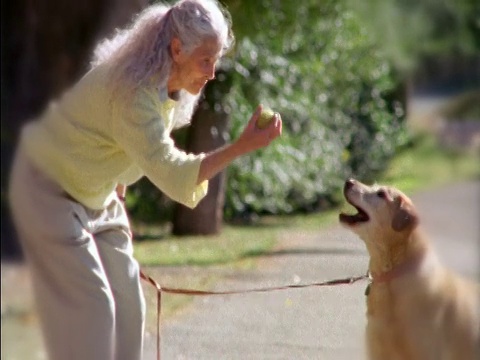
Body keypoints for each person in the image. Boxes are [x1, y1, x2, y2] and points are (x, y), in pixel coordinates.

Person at [8, 0, 282, 359]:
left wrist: (117, 182)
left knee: (130, 305)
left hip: (96, 196)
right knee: (95, 309)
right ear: (177, 49)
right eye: (206, 59)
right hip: (48, 190)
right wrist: (241, 147)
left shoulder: (160, 87)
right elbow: (171, 171)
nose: (212, 72)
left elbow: (117, 143)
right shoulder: (134, 92)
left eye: (216, 60)